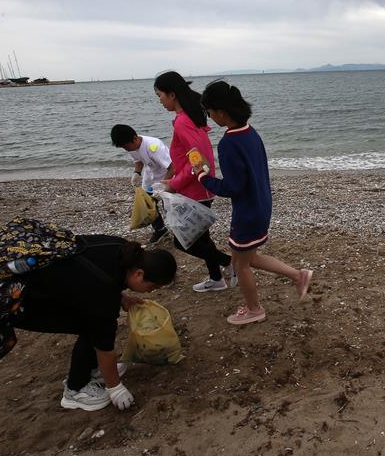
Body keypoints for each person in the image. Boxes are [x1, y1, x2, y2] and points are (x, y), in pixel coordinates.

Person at [12, 236, 177, 411]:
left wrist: (123, 298)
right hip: (22, 301)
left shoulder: (123, 248)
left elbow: (95, 273)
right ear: (139, 274)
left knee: (95, 321)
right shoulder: (103, 298)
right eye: (153, 287)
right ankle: (75, 389)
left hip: (46, 280)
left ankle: (91, 369)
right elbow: (104, 346)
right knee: (92, 327)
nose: (152, 291)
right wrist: (115, 388)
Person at [196, 80, 312, 325]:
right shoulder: (250, 131)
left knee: (240, 264)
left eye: (209, 112)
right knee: (249, 258)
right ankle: (298, 275)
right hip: (261, 203)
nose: (209, 117)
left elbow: (233, 187)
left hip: (248, 211)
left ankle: (254, 309)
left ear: (220, 111)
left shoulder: (229, 142)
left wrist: (204, 177)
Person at [154, 71, 235, 292]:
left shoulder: (183, 121)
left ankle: (229, 263)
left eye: (159, 95)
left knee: (182, 241)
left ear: (172, 94)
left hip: (195, 190)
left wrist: (173, 184)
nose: (159, 100)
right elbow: (192, 157)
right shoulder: (188, 117)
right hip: (197, 187)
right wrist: (172, 176)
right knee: (202, 239)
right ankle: (217, 279)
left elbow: (198, 160)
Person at [110, 124, 173, 244]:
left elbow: (172, 167)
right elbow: (138, 161)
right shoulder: (132, 147)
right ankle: (160, 230)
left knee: (169, 207)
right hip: (150, 178)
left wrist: (163, 186)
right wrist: (137, 173)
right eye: (123, 147)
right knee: (147, 204)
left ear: (134, 138)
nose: (126, 149)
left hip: (166, 177)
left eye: (126, 146)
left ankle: (179, 231)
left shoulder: (153, 146)